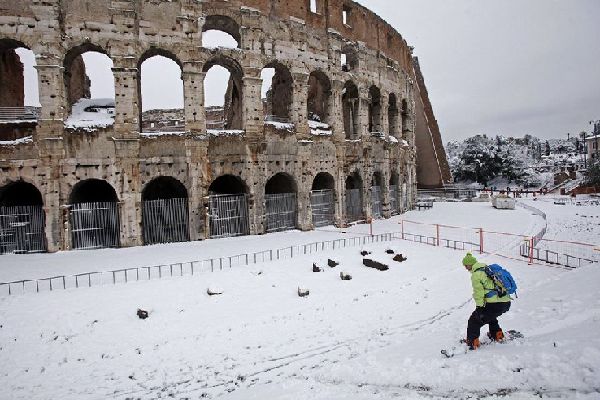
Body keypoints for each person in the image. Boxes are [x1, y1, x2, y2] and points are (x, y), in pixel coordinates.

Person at [462, 252, 511, 350]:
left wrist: (479, 307)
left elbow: (479, 292)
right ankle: (497, 334)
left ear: (469, 264)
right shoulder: (487, 269)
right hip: (505, 302)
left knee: (474, 320)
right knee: (490, 316)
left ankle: (472, 342)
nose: (465, 268)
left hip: (495, 304)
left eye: (466, 265)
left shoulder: (476, 274)